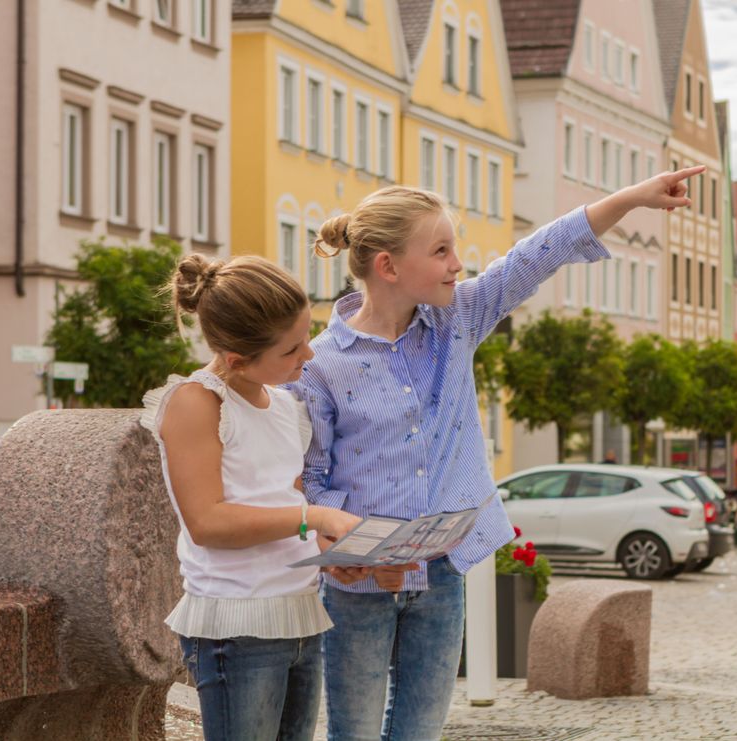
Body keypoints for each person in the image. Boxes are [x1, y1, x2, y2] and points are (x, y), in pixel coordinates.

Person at [291, 166, 704, 741]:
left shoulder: (458, 320)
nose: (457, 264)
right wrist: (348, 547)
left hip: (441, 573)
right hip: (360, 585)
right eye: (440, 251)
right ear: (388, 266)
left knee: (420, 732)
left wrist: (632, 198)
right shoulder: (319, 363)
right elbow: (312, 478)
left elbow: (536, 255)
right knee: (353, 732)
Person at [140, 254, 366, 741]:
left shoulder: (285, 404)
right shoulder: (197, 403)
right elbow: (208, 523)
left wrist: (329, 552)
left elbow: (282, 501)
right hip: (237, 627)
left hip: (299, 613)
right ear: (237, 358)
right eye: (292, 349)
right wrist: (313, 516)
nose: (308, 355)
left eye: (308, 336)